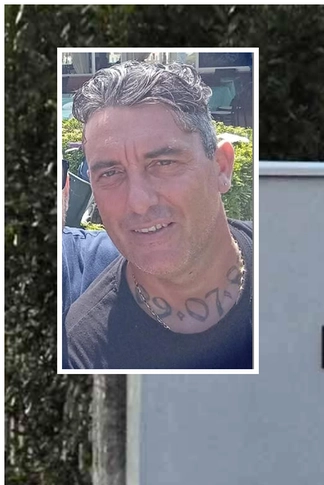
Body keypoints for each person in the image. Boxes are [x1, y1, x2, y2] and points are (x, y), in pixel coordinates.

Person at [64, 61, 253, 370]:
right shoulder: (84, 351)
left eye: (164, 163)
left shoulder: (296, 272)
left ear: (221, 167)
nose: (138, 203)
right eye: (110, 173)